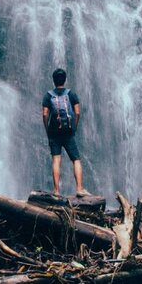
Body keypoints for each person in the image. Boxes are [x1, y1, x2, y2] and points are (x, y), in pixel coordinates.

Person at [42, 68, 90, 197]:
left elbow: (45, 114)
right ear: (65, 80)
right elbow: (78, 112)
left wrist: (48, 129)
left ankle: (56, 191)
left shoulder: (48, 95)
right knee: (76, 160)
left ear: (53, 80)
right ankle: (80, 188)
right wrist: (74, 126)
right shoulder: (71, 94)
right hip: (68, 132)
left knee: (56, 160)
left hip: (54, 132)